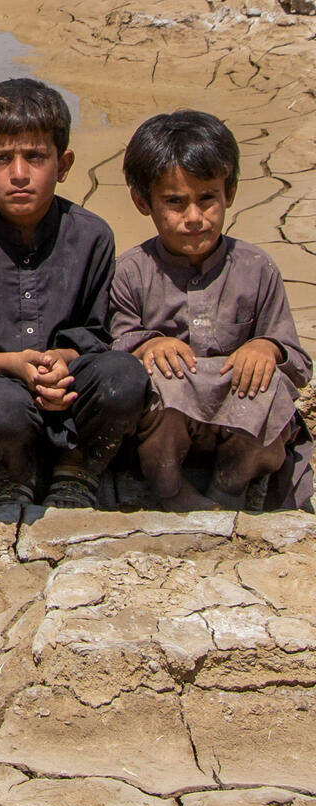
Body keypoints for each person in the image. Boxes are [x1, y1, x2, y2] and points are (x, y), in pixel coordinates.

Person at [0, 79, 149, 508]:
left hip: (72, 385)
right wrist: (14, 364)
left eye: (35, 157)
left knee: (124, 378)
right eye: (1, 159)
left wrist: (59, 364)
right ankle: (15, 470)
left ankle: (77, 468)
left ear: (63, 165)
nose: (20, 174)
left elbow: (97, 333)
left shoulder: (93, 236)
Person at [112, 109, 312, 511]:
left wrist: (267, 349)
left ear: (230, 192)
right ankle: (170, 490)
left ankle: (230, 484)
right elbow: (116, 345)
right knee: (154, 381)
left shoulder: (257, 268)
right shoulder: (130, 272)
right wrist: (147, 345)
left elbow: (299, 363)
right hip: (169, 422)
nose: (194, 218)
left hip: (240, 417)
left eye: (207, 199)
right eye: (175, 202)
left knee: (272, 389)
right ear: (142, 201)